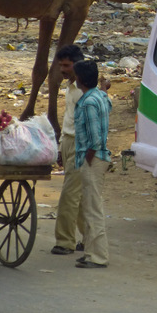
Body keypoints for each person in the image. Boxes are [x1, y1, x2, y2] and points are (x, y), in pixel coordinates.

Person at [72, 59, 112, 268]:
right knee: (88, 206)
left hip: (93, 159)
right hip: (98, 158)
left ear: (79, 79)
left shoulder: (87, 103)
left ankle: (97, 257)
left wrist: (87, 158)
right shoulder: (99, 96)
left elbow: (95, 139)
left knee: (93, 208)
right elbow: (106, 100)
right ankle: (89, 251)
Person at [51, 44, 87, 256]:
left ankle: (65, 242)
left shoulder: (84, 90)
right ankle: (88, 237)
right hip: (68, 142)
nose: (63, 70)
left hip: (79, 145)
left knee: (69, 195)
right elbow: (69, 119)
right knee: (79, 196)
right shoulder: (70, 86)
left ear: (77, 64)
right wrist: (60, 147)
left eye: (66, 65)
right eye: (61, 65)